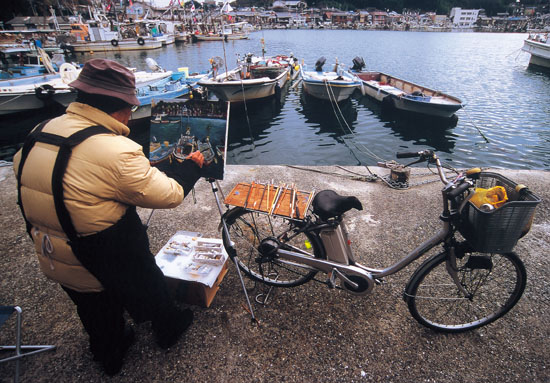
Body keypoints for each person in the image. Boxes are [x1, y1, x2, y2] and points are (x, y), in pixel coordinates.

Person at [13, 58, 204, 376]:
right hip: (100, 255)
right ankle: (168, 328)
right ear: (121, 107)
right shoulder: (115, 150)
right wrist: (189, 167)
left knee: (93, 312)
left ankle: (109, 354)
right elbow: (168, 194)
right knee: (150, 284)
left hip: (54, 254)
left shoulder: (39, 132)